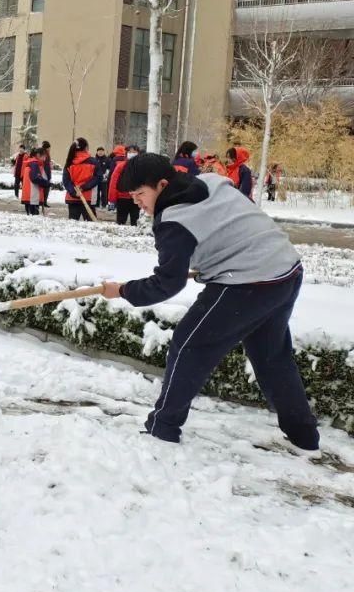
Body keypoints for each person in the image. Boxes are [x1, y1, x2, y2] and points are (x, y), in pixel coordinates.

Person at [102, 154, 319, 451]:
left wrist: (124, 291)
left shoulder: (173, 222)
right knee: (271, 358)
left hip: (248, 282)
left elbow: (167, 283)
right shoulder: (211, 181)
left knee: (189, 344)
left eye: (140, 194)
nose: (137, 203)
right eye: (132, 196)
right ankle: (305, 438)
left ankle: (162, 429)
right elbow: (235, 222)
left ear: (162, 184)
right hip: (285, 270)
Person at [62, 138, 100, 221]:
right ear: (86, 148)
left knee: (73, 226)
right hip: (88, 198)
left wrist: (73, 192)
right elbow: (97, 178)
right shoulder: (93, 162)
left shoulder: (69, 162)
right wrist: (84, 187)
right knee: (91, 226)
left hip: (72, 198)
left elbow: (66, 181)